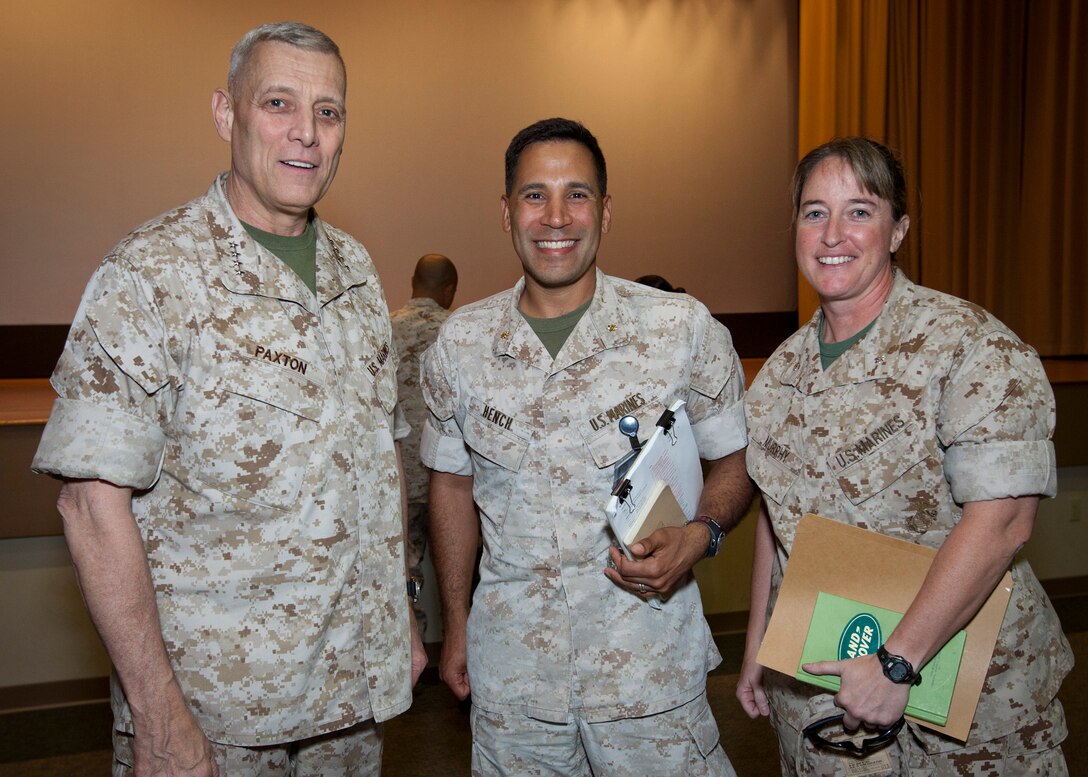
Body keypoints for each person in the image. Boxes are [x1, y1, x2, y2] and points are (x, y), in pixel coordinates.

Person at [32, 22, 426, 776]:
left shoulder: (355, 270)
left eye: (329, 111)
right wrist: (159, 714)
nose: (305, 134)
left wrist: (402, 613)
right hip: (216, 721)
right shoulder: (152, 274)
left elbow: (379, 457)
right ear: (226, 113)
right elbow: (89, 505)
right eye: (278, 103)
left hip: (352, 704)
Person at [419, 117, 754, 776]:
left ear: (605, 210)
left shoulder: (679, 329)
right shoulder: (460, 345)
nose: (555, 215)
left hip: (647, 674)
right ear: (506, 212)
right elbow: (452, 485)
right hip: (515, 682)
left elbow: (736, 460)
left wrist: (701, 532)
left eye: (576, 194)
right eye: (534, 194)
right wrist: (455, 620)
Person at [738, 137, 1072, 774]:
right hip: (827, 696)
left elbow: (1003, 523)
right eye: (814, 212)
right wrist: (760, 640)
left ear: (899, 230)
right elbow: (777, 516)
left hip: (970, 702)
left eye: (860, 210)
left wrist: (897, 663)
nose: (834, 232)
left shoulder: (970, 348)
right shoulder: (778, 375)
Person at [390, 253, 459, 637]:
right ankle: (462, 650)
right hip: (452, 474)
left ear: (412, 279)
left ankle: (409, 656)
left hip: (404, 477)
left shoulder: (384, 329)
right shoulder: (460, 331)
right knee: (464, 567)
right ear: (450, 289)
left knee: (405, 570)